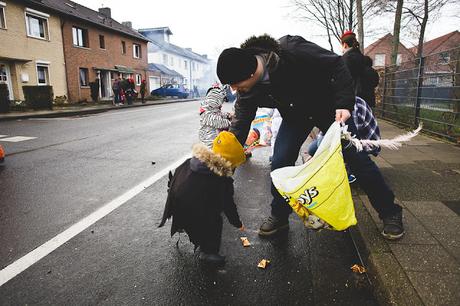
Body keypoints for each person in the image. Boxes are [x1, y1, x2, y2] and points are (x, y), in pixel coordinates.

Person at [216, 34, 404, 240]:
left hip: (330, 108)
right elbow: (240, 124)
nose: (234, 89)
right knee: (280, 162)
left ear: (250, 71)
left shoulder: (291, 49)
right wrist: (223, 162)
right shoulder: (248, 90)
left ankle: (390, 212)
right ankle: (279, 217)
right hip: (295, 115)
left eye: (235, 83)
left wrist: (344, 102)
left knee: (357, 159)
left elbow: (336, 63)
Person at [159, 131, 246, 266]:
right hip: (190, 208)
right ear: (228, 163)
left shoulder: (193, 161)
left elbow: (177, 176)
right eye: (235, 165)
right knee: (215, 219)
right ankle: (208, 252)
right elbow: (228, 205)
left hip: (177, 202)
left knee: (204, 209)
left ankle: (186, 226)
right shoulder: (222, 180)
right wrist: (237, 223)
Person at [341, 31, 380, 108]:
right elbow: (375, 81)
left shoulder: (345, 60)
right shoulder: (364, 60)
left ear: (345, 45)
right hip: (368, 103)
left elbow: (341, 82)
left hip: (351, 103)